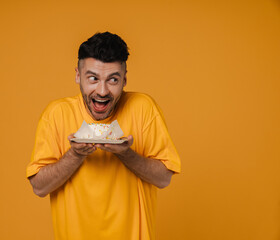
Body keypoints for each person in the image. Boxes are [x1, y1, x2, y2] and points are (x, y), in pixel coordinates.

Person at [27, 32, 181, 240]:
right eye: (93, 78)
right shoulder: (56, 114)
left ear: (124, 80)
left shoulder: (143, 109)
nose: (102, 91)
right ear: (77, 76)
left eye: (113, 80)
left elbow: (164, 179)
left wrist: (126, 154)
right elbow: (39, 187)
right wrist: (74, 155)